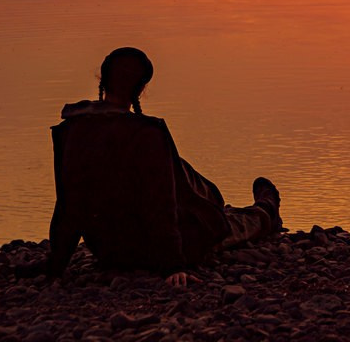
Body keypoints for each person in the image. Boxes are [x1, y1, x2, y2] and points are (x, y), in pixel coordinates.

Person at [45, 47, 282, 285]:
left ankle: (232, 208)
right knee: (229, 225)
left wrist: (56, 264)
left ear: (102, 79)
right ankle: (266, 209)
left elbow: (67, 205)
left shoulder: (71, 130)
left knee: (191, 183)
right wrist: (174, 266)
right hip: (150, 252)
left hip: (109, 250)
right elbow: (160, 204)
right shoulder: (147, 134)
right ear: (141, 88)